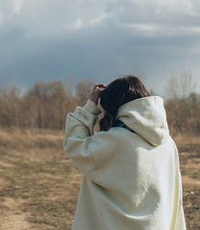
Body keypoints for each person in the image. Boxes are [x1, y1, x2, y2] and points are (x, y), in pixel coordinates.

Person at [63, 75, 186, 229]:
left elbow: (74, 144)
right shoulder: (168, 144)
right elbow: (174, 196)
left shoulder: (111, 142)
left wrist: (90, 106)